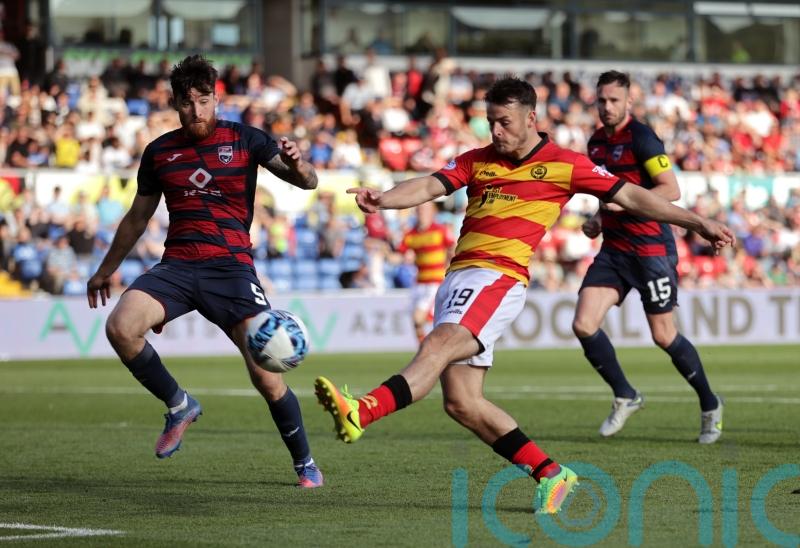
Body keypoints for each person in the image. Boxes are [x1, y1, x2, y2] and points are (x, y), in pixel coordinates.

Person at [314, 76, 735, 514]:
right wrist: (383, 199)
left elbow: (632, 196)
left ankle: (362, 410)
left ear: (531, 118)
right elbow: (428, 186)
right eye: (491, 122)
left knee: (437, 346)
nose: (496, 131)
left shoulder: (565, 164)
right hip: (458, 279)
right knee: (462, 403)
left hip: (497, 277)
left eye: (505, 122)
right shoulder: (477, 159)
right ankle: (552, 475)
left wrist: (698, 223)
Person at [86, 55, 323, 488]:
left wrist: (297, 162)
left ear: (216, 99)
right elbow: (137, 218)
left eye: (204, 100)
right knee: (121, 327)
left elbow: (308, 182)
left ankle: (305, 462)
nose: (197, 111)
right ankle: (180, 405)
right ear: (175, 103)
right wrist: (105, 270)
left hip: (231, 269)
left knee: (266, 376)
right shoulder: (159, 152)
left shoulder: (246, 139)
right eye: (187, 102)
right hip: (177, 266)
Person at [574, 70, 725, 444]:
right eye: (601, 100)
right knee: (583, 324)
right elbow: (607, 195)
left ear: (629, 101)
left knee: (663, 334)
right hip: (614, 250)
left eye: (614, 100)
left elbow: (670, 189)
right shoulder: (595, 143)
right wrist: (598, 219)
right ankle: (626, 394)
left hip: (651, 250)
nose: (607, 106)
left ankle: (710, 403)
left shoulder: (642, 138)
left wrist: (625, 204)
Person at [397, 201, 454, 343]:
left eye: (425, 209)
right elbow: (399, 255)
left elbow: (452, 249)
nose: (421, 212)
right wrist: (391, 254)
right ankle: (426, 350)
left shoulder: (440, 230)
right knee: (417, 323)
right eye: (419, 209)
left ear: (433, 212)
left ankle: (434, 350)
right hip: (419, 283)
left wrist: (450, 267)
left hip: (435, 283)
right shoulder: (410, 234)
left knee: (419, 318)